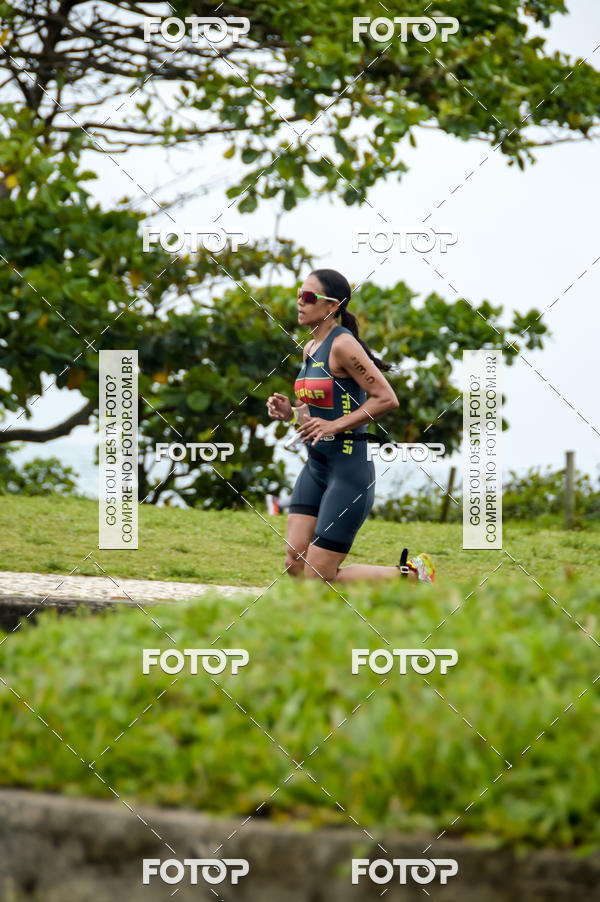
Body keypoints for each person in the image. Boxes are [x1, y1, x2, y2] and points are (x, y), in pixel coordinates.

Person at [266, 268, 435, 584]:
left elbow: (386, 399)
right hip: (316, 466)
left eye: (308, 297)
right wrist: (291, 413)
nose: (299, 302)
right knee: (295, 563)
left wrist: (335, 426)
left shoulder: (343, 344)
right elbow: (315, 416)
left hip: (348, 470)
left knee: (318, 574)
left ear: (332, 306)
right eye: (299, 295)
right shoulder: (310, 348)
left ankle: (413, 576)